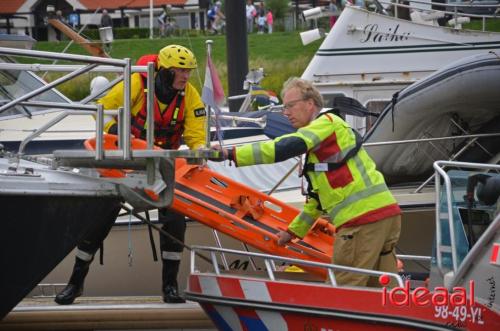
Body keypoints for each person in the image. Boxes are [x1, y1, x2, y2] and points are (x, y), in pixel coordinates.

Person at [54, 45, 207, 305]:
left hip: (161, 167)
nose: (186, 76)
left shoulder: (189, 95)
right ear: (166, 71)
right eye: (181, 71)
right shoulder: (137, 83)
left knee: (175, 216)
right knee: (101, 216)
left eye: (189, 71)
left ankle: (169, 286)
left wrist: (200, 154)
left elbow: (196, 134)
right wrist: (122, 136)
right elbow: (102, 111)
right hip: (123, 162)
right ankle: (75, 283)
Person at [212, 78, 402, 287]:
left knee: (348, 287)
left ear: (310, 103)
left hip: (361, 221)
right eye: (284, 107)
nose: (286, 113)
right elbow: (316, 203)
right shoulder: (324, 141)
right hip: (384, 214)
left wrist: (231, 153)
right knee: (382, 289)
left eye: (290, 106)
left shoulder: (325, 123)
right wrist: (292, 233)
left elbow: (282, 148)